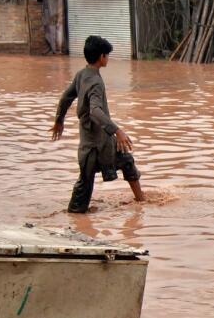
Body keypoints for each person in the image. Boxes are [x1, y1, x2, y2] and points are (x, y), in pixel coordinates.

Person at [51, 35, 144, 212]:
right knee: (123, 163)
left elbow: (65, 98)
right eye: (107, 55)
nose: (108, 58)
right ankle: (141, 202)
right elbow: (95, 111)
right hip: (99, 145)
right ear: (102, 57)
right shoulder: (95, 82)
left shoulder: (81, 75)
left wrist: (59, 120)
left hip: (88, 145)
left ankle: (141, 201)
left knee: (122, 163)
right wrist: (118, 131)